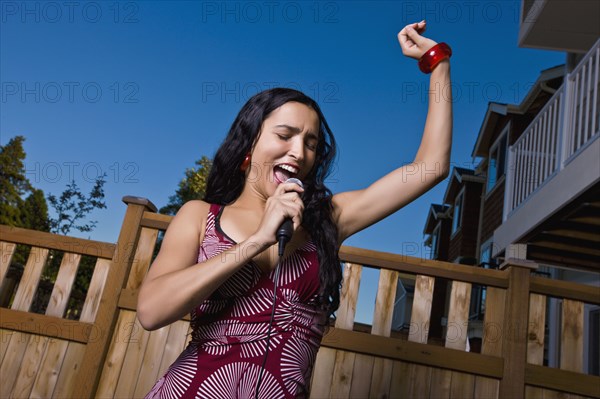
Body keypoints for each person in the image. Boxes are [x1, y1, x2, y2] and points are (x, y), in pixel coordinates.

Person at [138, 20, 452, 399]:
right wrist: (255, 241)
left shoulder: (329, 219)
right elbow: (151, 312)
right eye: (285, 136)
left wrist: (437, 63)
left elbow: (431, 167)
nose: (299, 152)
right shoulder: (199, 216)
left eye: (311, 144)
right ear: (249, 144)